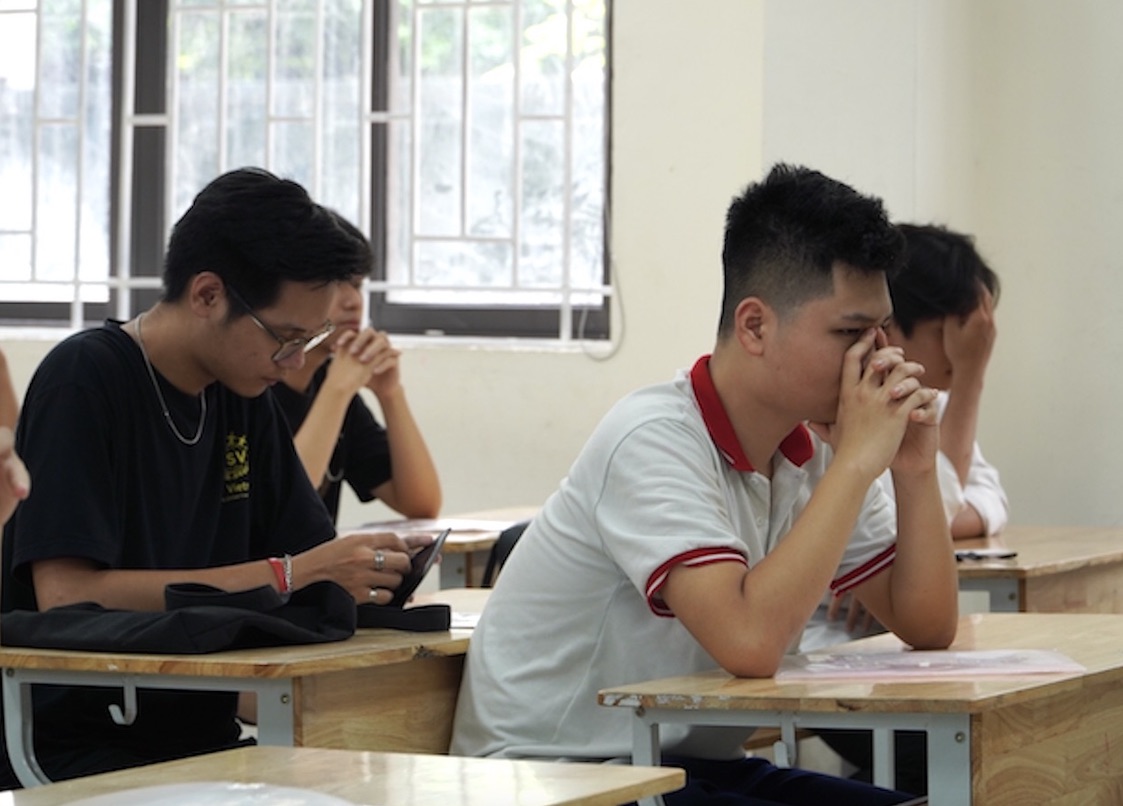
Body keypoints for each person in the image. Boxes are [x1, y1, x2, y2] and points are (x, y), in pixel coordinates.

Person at [450, 164, 958, 805]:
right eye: (850, 333)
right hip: (559, 776)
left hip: (681, 763)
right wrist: (859, 462)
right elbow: (749, 643)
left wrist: (913, 470)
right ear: (754, 327)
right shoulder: (652, 438)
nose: (879, 356)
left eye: (883, 330)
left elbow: (929, 624)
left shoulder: (819, 447)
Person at [0, 168, 426, 786]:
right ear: (207, 295)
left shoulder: (244, 392)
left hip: (208, 739)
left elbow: (306, 553)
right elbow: (65, 596)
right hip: (76, 748)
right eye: (285, 338)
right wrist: (291, 574)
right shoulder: (85, 378)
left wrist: (370, 570)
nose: (296, 363)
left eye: (313, 341)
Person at [801, 223, 1007, 794]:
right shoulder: (836, 417)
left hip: (885, 640)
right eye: (966, 328)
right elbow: (946, 506)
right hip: (828, 645)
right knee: (969, 752)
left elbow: (982, 500)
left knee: (1009, 737)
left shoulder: (918, 410)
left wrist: (916, 526)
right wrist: (970, 376)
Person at [271, 213, 441, 524]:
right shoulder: (252, 385)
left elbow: (421, 504)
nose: (353, 302)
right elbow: (288, 505)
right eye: (335, 285)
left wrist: (391, 394)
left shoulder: (333, 384)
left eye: (357, 284)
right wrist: (338, 391)